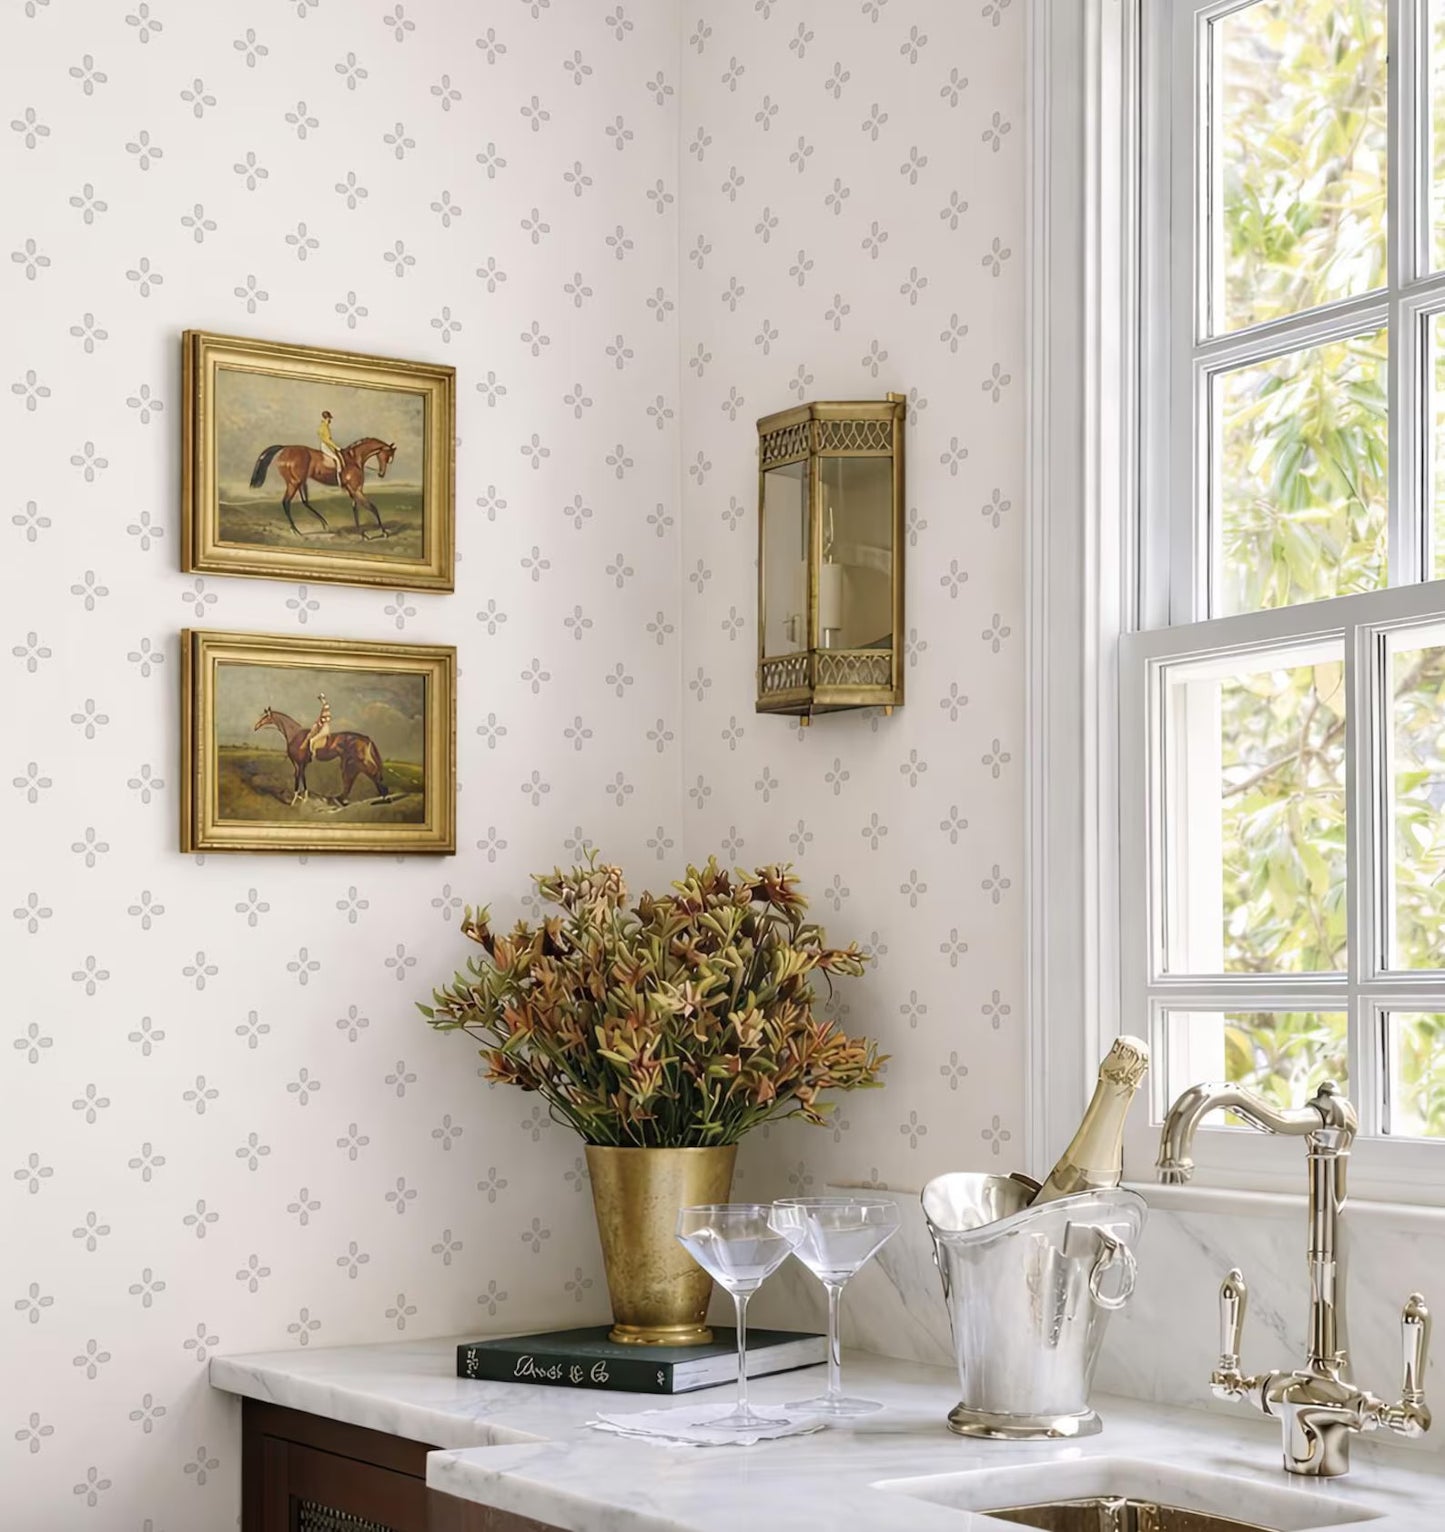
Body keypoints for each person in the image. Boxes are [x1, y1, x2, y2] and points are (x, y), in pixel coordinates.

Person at [318, 410, 345, 480]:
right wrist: (336, 447)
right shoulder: (324, 427)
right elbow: (327, 440)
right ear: (327, 418)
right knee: (337, 459)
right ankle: (339, 478)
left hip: (328, 445)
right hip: (326, 446)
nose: (330, 420)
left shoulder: (325, 426)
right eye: (329, 418)